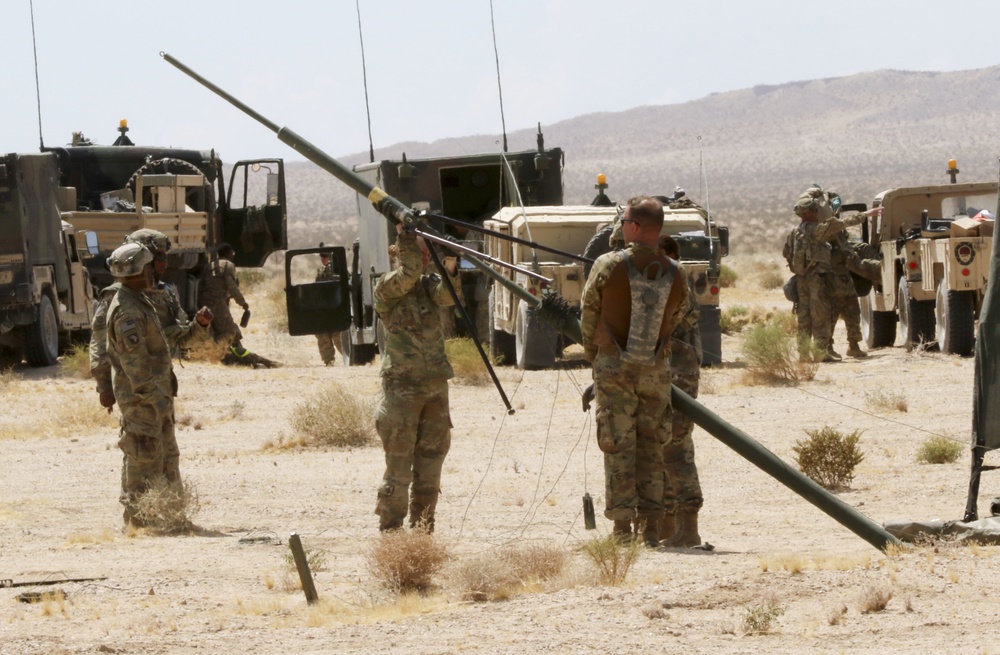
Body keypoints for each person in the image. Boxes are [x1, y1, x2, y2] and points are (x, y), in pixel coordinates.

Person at [581, 196, 688, 548]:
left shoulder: (608, 264)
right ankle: (652, 528)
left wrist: (594, 354)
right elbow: (678, 316)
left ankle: (623, 530)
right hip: (655, 369)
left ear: (637, 227)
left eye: (625, 219)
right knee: (652, 447)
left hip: (615, 366)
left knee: (618, 445)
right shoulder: (676, 272)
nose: (622, 224)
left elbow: (588, 313)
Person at [372, 223, 461, 532]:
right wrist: (408, 235)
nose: (424, 260)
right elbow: (409, 274)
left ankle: (423, 529)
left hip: (435, 387)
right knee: (398, 470)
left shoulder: (429, 287)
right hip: (402, 390)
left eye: (427, 254)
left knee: (431, 466)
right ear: (402, 255)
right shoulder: (387, 287)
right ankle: (392, 531)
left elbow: (449, 296)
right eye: (420, 254)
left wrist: (449, 261)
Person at [91, 229, 213, 415]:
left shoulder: (167, 293)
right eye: (158, 258)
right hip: (134, 390)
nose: (165, 263)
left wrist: (200, 324)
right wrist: (104, 385)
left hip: (162, 388)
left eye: (165, 257)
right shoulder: (117, 296)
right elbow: (100, 344)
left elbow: (182, 340)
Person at [104, 242, 179, 527]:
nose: (154, 271)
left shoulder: (137, 300)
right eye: (150, 266)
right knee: (142, 458)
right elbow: (135, 366)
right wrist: (155, 399)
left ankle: (171, 516)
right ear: (140, 271)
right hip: (143, 400)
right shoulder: (128, 312)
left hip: (155, 397)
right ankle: (138, 523)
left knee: (167, 457)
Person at [657, 235, 704, 547]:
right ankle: (666, 525)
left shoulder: (677, 281)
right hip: (660, 369)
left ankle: (687, 527)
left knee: (676, 447)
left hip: (679, 371)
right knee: (658, 447)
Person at [782, 186, 865, 362]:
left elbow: (786, 253)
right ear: (812, 212)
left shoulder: (794, 233)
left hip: (801, 280)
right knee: (821, 316)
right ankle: (822, 352)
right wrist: (866, 215)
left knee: (803, 319)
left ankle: (804, 354)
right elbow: (837, 224)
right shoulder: (816, 230)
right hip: (816, 280)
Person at [198, 242, 248, 350]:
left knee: (214, 329)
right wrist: (242, 302)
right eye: (232, 253)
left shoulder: (209, 265)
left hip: (205, 302)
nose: (233, 255)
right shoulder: (228, 265)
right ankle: (221, 352)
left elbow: (201, 285)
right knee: (229, 330)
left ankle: (213, 350)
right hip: (218, 302)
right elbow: (232, 286)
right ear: (228, 253)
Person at [829, 230, 866, 358]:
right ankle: (828, 347)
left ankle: (854, 346)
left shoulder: (844, 244)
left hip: (847, 285)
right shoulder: (826, 247)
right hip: (832, 287)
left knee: (854, 315)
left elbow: (852, 260)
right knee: (830, 318)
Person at [315, 244, 344, 366]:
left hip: (336, 306)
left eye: (325, 256)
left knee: (338, 335)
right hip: (325, 307)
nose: (323, 258)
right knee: (323, 334)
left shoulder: (337, 269)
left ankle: (347, 356)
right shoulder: (322, 271)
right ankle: (328, 361)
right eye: (322, 256)